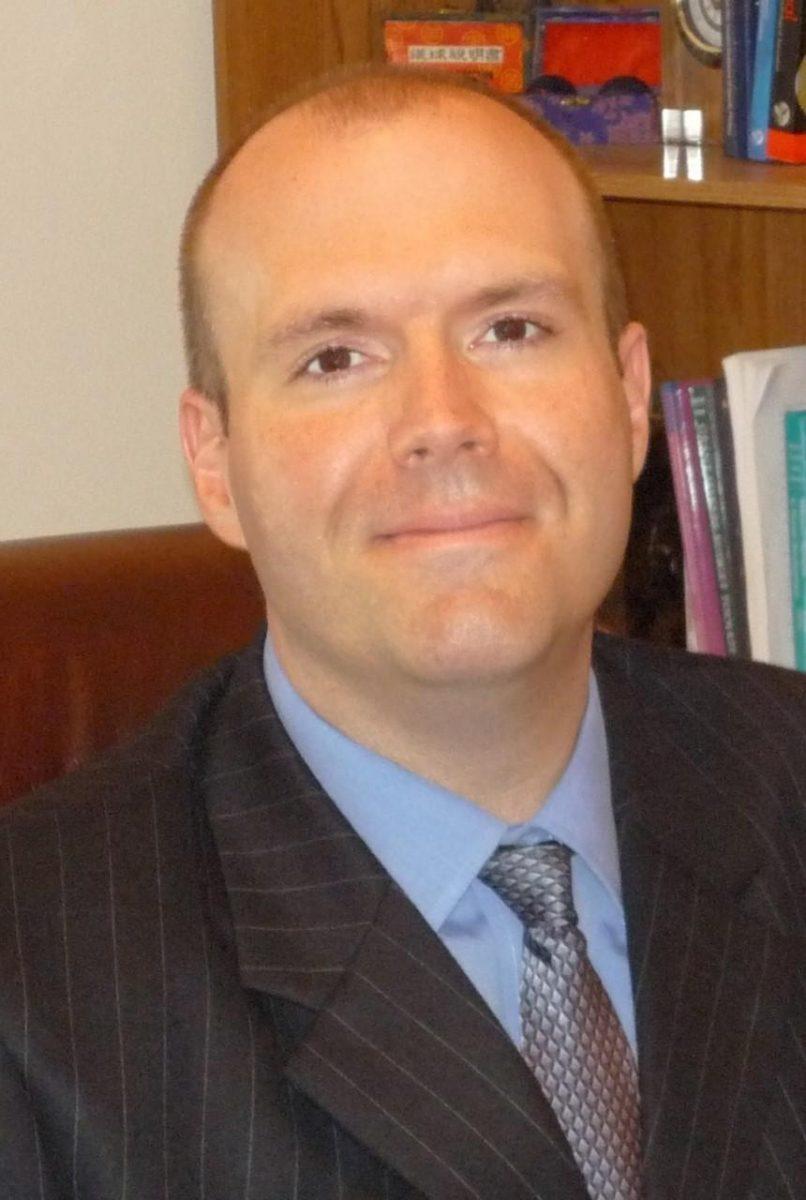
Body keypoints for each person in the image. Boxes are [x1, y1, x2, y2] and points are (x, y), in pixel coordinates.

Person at [2, 66, 805, 1200]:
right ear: (213, 461)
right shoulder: (34, 984)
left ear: (628, 397)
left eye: (510, 328)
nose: (442, 422)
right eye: (335, 357)